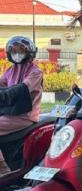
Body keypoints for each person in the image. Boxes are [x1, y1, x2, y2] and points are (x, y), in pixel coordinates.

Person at [0, 36, 43, 176]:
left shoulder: (35, 72)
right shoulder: (10, 70)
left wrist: (4, 95)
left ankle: (3, 171)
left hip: (24, 116)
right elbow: (2, 84)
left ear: (29, 52)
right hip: (10, 113)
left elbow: (21, 89)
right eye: (14, 51)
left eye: (20, 51)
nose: (17, 54)